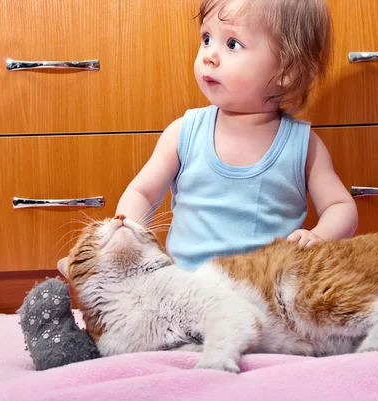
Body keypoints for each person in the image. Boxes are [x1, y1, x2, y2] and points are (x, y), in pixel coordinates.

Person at [116, 0, 357, 269]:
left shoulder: (303, 145)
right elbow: (142, 193)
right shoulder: (184, 132)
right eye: (206, 38)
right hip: (190, 290)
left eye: (232, 44)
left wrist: (318, 237)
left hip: (266, 293)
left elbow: (340, 207)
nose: (209, 55)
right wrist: (128, 237)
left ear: (287, 70)